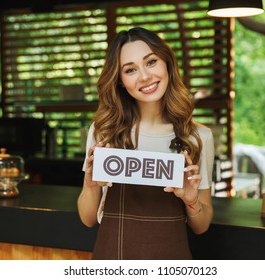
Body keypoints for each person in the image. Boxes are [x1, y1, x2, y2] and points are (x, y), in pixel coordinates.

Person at [77, 27, 214, 260]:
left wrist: (191, 201)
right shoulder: (104, 132)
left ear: (167, 63)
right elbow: (87, 219)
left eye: (151, 62)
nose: (144, 76)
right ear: (120, 81)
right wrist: (90, 186)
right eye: (130, 70)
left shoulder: (198, 137)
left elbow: (201, 226)